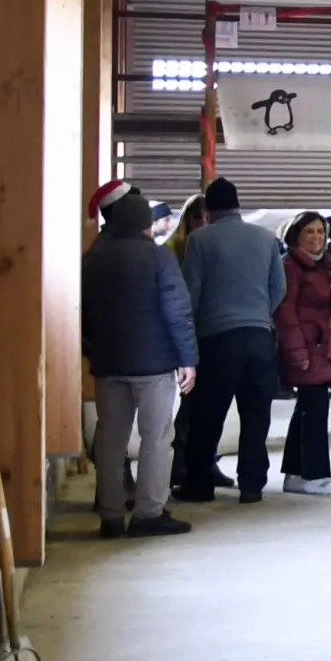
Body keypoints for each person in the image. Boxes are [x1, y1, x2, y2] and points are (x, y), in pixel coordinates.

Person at [80, 178, 196, 538]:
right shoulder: (158, 256)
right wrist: (187, 358)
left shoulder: (92, 257)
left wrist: (92, 350)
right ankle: (148, 512)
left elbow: (82, 313)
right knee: (156, 437)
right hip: (154, 365)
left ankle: (111, 515)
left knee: (110, 438)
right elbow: (177, 311)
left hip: (109, 365)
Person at [175, 176, 285, 504]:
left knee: (208, 415)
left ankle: (200, 483)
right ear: (238, 205)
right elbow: (279, 288)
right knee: (256, 414)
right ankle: (251, 485)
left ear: (208, 208)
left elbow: (190, 292)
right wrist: (258, 313)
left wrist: (190, 334)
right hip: (260, 338)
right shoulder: (266, 240)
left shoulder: (201, 241)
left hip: (217, 340)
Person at [272, 213, 331, 497]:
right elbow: (285, 313)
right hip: (308, 350)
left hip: (322, 349)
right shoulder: (291, 268)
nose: (317, 237)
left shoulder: (323, 267)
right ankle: (316, 475)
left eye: (321, 231)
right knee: (316, 409)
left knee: (307, 409)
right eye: (309, 232)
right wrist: (297, 351)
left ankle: (296, 473)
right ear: (296, 235)